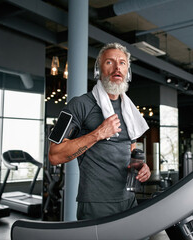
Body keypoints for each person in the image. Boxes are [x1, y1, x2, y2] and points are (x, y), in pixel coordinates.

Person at [48, 42, 151, 220]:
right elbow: (54, 155)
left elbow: (131, 148)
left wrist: (142, 167)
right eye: (109, 62)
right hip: (96, 204)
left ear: (128, 72)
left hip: (128, 200)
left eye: (122, 63)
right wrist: (98, 134)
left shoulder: (130, 109)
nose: (117, 67)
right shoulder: (79, 105)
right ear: (98, 70)